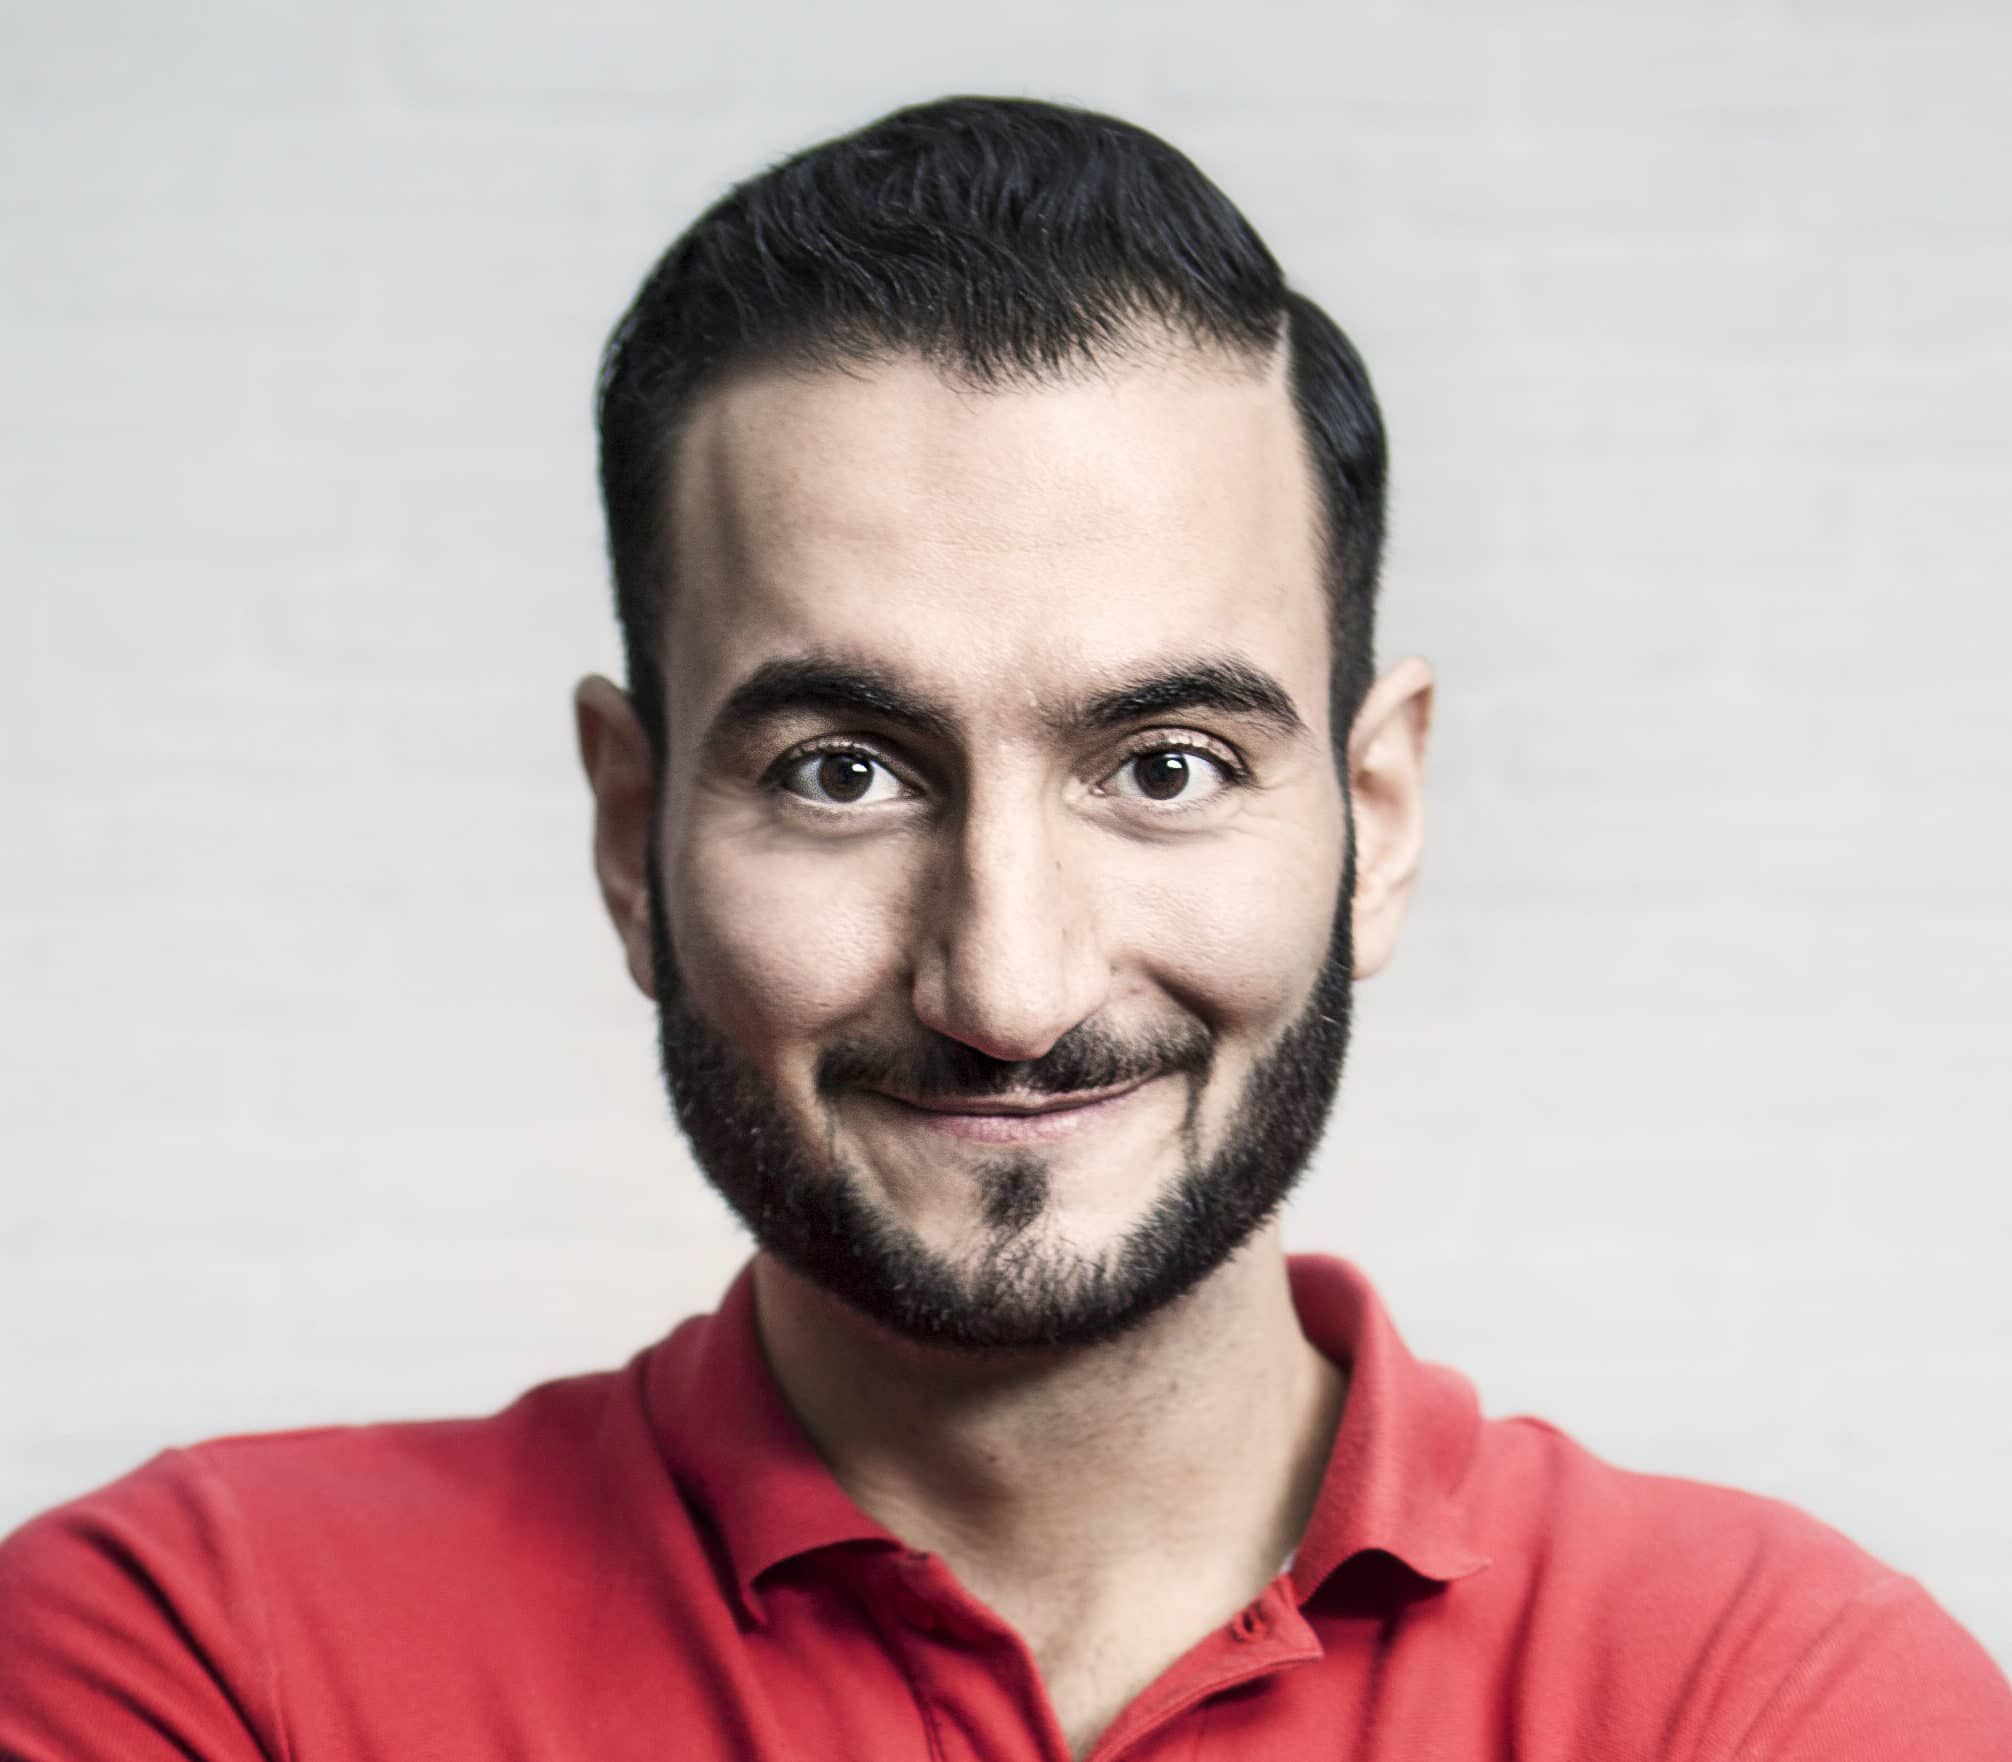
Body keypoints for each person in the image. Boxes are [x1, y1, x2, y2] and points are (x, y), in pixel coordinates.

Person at [2, 94, 2007, 1762]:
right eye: (843, 772)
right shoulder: (202, 1650)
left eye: (1165, 766)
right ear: (631, 834)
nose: (1009, 986)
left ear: (1373, 822)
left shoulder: (1776, 1699)